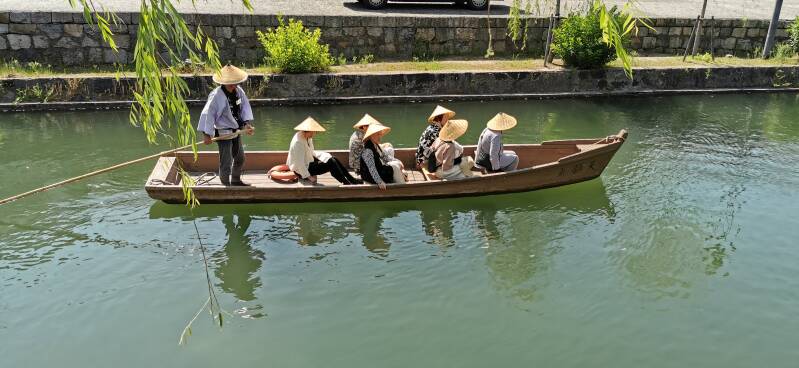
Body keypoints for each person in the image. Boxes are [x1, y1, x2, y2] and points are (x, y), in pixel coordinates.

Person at [197, 64, 255, 186]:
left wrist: (247, 125)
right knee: (226, 162)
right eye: (231, 84)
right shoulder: (216, 95)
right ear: (223, 82)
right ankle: (225, 185)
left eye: (235, 83)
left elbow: (244, 108)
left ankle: (235, 180)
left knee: (240, 158)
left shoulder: (239, 91)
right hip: (223, 133)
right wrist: (206, 134)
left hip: (236, 131)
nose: (233, 86)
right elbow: (207, 114)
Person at [287, 117, 362, 185]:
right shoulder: (298, 143)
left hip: (308, 162)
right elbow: (300, 164)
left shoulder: (307, 137)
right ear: (307, 131)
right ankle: (346, 182)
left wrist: (324, 156)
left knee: (333, 158)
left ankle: (352, 179)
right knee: (331, 163)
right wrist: (309, 177)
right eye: (313, 132)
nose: (315, 134)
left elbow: (311, 152)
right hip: (301, 170)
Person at [360, 123, 406, 190]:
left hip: (379, 169)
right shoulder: (368, 150)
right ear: (371, 136)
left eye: (380, 134)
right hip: (370, 176)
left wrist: (398, 161)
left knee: (395, 165)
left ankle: (401, 184)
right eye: (377, 134)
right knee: (395, 168)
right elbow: (371, 168)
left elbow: (385, 157)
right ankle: (402, 187)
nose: (380, 137)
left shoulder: (375, 145)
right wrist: (379, 182)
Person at [415, 105, 455, 169]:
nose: (448, 120)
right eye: (446, 118)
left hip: (420, 159)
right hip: (425, 163)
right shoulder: (437, 132)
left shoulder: (431, 126)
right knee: (451, 148)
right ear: (439, 119)